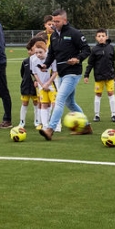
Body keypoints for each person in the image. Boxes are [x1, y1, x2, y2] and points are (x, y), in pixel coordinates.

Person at [39, 9, 92, 140]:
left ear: (65, 20)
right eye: (53, 21)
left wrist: (77, 58)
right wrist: (45, 64)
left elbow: (86, 49)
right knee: (70, 103)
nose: (54, 24)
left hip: (73, 73)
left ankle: (50, 129)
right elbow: (51, 54)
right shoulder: (54, 36)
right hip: (61, 73)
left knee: (59, 100)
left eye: (57, 21)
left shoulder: (74, 33)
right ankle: (87, 126)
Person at [83, 29, 115, 123]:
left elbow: (112, 62)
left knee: (111, 93)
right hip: (99, 77)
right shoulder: (94, 50)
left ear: (106, 37)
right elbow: (90, 64)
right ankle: (97, 115)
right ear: (96, 38)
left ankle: (113, 114)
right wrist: (86, 75)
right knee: (98, 94)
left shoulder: (111, 48)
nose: (101, 38)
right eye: (99, 36)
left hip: (110, 76)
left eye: (103, 36)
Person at [28, 36, 58, 131]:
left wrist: (48, 83)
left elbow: (55, 72)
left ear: (45, 51)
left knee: (55, 104)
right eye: (36, 52)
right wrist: (41, 84)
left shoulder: (52, 59)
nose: (38, 54)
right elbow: (35, 73)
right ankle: (45, 125)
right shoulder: (33, 59)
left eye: (40, 52)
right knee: (44, 104)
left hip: (52, 85)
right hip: (42, 86)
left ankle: (57, 125)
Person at [19, 41, 40, 129]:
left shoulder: (39, 61)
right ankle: (22, 121)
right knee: (24, 103)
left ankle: (37, 121)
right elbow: (22, 73)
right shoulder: (25, 61)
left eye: (31, 50)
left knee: (36, 103)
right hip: (25, 86)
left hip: (35, 87)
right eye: (28, 50)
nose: (29, 52)